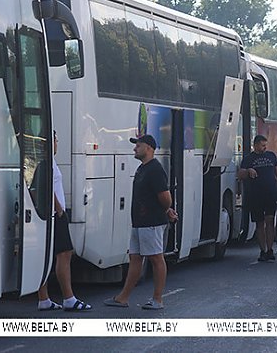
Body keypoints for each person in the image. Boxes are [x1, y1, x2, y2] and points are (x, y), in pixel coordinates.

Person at [104, 134, 178, 310]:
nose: (135, 148)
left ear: (149, 148)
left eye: (139, 145)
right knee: (135, 258)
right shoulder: (142, 168)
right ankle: (123, 297)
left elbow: (165, 197)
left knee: (156, 258)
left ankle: (158, 299)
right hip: (139, 222)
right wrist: (166, 210)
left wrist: (166, 209)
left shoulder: (155, 169)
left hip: (151, 222)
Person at [37, 131, 91, 312]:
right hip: (54, 216)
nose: (57, 143)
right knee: (64, 254)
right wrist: (60, 210)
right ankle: (68, 298)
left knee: (49, 257)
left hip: (51, 215)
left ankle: (44, 299)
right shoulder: (45, 163)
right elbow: (46, 189)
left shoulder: (45, 162)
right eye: (55, 140)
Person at [238, 135, 277, 262]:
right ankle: (263, 250)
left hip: (271, 194)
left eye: (266, 145)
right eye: (262, 145)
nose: (264, 148)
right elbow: (240, 174)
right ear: (255, 145)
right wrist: (248, 171)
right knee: (259, 223)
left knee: (270, 221)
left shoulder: (271, 156)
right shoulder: (248, 159)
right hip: (255, 196)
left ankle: (270, 249)